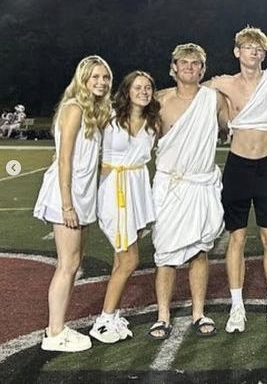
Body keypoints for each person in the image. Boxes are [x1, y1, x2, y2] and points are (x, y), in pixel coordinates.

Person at [206, 26, 267, 333]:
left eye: (259, 48)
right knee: (237, 239)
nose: (253, 52)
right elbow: (189, 95)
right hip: (238, 167)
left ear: (264, 53)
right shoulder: (224, 84)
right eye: (248, 47)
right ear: (237, 51)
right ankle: (237, 306)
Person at [148, 43, 229, 340]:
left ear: (202, 70)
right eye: (184, 63)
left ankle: (198, 312)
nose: (189, 68)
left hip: (201, 184)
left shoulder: (213, 99)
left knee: (199, 251)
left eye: (195, 64)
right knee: (166, 253)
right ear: (174, 67)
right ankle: (163, 316)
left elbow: (235, 125)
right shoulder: (159, 101)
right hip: (170, 186)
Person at [33, 55, 113, 352]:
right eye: (95, 77)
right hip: (65, 195)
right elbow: (64, 158)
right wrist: (67, 204)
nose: (101, 82)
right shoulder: (74, 108)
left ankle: (57, 327)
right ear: (83, 79)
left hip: (79, 195)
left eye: (105, 77)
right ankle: (55, 333)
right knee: (67, 265)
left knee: (74, 262)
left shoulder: (91, 110)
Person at [88, 71, 161, 344]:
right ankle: (104, 321)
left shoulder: (153, 121)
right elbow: (83, 139)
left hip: (138, 189)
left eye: (148, 87)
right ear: (127, 91)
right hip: (114, 189)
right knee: (130, 260)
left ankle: (112, 313)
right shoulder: (108, 115)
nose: (143, 91)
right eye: (137, 87)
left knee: (122, 259)